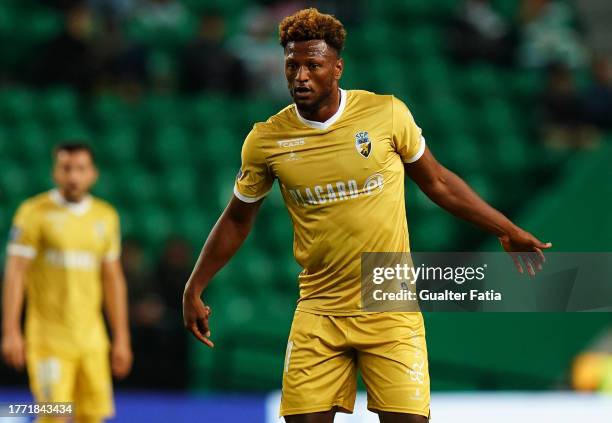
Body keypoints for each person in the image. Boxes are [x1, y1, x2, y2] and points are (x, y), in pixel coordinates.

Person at [182, 8, 551, 423]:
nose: (300, 76)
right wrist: (195, 285)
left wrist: (506, 229)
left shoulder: (386, 114)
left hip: (389, 304)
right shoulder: (266, 140)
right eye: (292, 65)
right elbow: (236, 219)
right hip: (319, 307)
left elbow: (439, 183)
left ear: (337, 67)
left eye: (313, 65)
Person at [2, 143, 132, 423]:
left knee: (91, 417)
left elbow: (113, 279)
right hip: (48, 338)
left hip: (91, 339)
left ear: (93, 174)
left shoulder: (105, 217)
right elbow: (15, 273)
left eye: (81, 169)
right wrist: (11, 330)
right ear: (55, 172)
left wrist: (121, 337)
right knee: (55, 417)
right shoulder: (33, 213)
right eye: (66, 168)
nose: (73, 177)